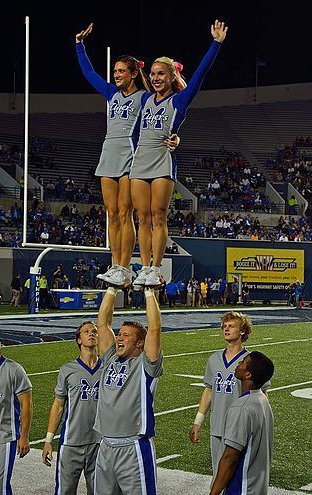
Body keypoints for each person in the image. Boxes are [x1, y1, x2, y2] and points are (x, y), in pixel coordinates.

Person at [76, 23, 179, 288]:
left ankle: (125, 265)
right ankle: (116, 265)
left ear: (134, 73)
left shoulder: (146, 97)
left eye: (122, 71)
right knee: (112, 213)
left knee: (126, 212)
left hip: (131, 155)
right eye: (115, 71)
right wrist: (80, 46)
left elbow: (167, 114)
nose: (116, 75)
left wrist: (176, 135)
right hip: (108, 151)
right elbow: (89, 73)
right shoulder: (111, 94)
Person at [131, 20, 228, 288]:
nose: (155, 77)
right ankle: (143, 264)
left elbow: (200, 74)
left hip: (162, 161)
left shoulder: (179, 101)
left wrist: (216, 43)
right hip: (140, 161)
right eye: (152, 73)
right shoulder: (145, 99)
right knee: (142, 218)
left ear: (171, 77)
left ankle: (156, 268)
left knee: (158, 215)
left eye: (161, 73)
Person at [93, 284, 163, 494]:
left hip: (133, 447)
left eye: (126, 335)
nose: (119, 338)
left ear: (140, 344)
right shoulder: (110, 359)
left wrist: (149, 291)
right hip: (105, 445)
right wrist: (112, 289)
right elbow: (102, 323)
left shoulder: (146, 364)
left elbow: (154, 329)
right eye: (119, 334)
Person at [189, 311, 270, 478]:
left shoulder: (250, 361)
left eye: (231, 326)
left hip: (241, 426)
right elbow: (209, 390)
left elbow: (262, 394)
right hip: (217, 424)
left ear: (242, 331)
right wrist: (198, 421)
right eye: (224, 326)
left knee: (238, 475)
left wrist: (262, 425)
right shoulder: (214, 359)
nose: (226, 329)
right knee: (218, 473)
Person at [42, 321, 103, 494]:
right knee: (65, 491)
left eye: (94, 331)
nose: (91, 334)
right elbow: (58, 405)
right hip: (71, 442)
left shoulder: (108, 368)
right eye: (86, 332)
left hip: (101, 442)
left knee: (101, 490)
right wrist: (48, 440)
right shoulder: (67, 370)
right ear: (79, 339)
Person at [209, 351, 275, 495]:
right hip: (258, 487)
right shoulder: (262, 401)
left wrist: (213, 492)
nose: (238, 364)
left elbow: (230, 457)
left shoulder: (241, 407)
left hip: (242, 488)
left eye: (243, 362)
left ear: (248, 375)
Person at [0, 328, 33, 494]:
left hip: (4, 438)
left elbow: (26, 404)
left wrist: (24, 437)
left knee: (0, 486)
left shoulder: (14, 369)